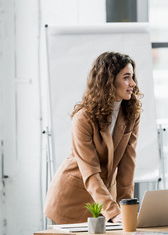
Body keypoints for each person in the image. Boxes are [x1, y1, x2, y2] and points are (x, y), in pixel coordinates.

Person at [44, 52, 142, 224]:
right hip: (72, 199)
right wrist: (112, 211)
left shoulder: (131, 115)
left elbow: (128, 166)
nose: (133, 83)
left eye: (132, 77)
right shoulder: (83, 118)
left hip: (104, 201)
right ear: (109, 81)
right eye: (127, 77)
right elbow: (90, 172)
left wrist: (127, 210)